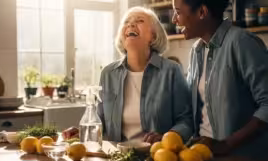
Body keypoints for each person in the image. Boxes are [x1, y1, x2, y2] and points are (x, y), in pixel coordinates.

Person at [63, 6, 192, 144]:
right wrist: (81, 132)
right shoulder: (108, 73)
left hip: (156, 156)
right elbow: (101, 121)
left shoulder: (171, 71)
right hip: (116, 157)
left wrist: (169, 137)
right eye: (126, 22)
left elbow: (186, 120)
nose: (130, 24)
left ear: (153, 36)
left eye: (140, 20)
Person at [172, 0, 268, 161]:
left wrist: (227, 144)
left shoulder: (242, 43)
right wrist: (172, 135)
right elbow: (190, 111)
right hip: (204, 157)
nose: (174, 19)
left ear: (202, 12)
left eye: (178, 12)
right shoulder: (196, 51)